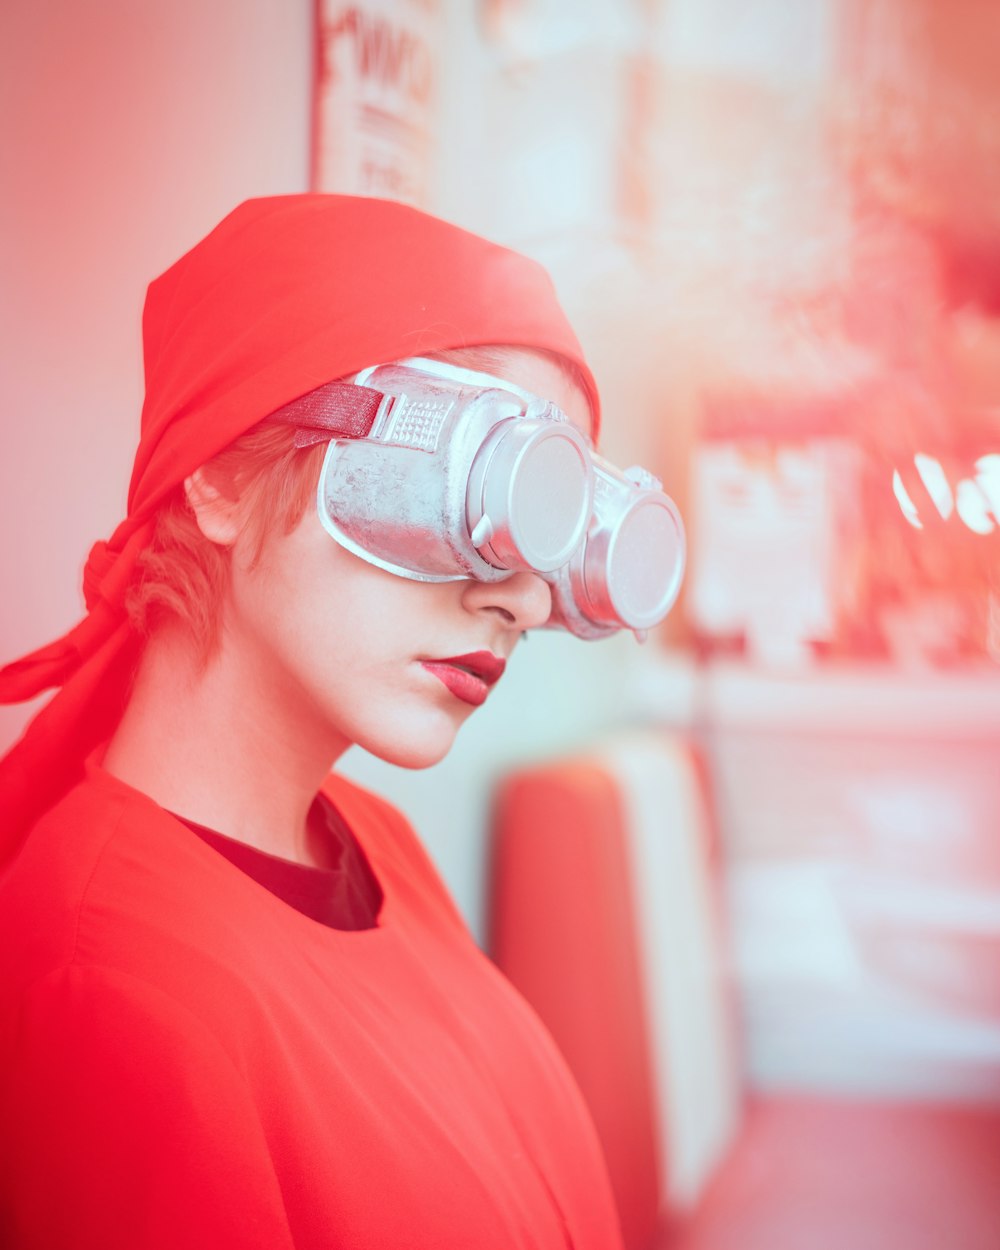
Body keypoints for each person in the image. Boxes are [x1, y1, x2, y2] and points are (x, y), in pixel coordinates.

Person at [0, 195, 673, 1249]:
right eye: (475, 493)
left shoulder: (373, 840)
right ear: (219, 472)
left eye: (545, 531)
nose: (527, 601)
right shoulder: (111, 991)